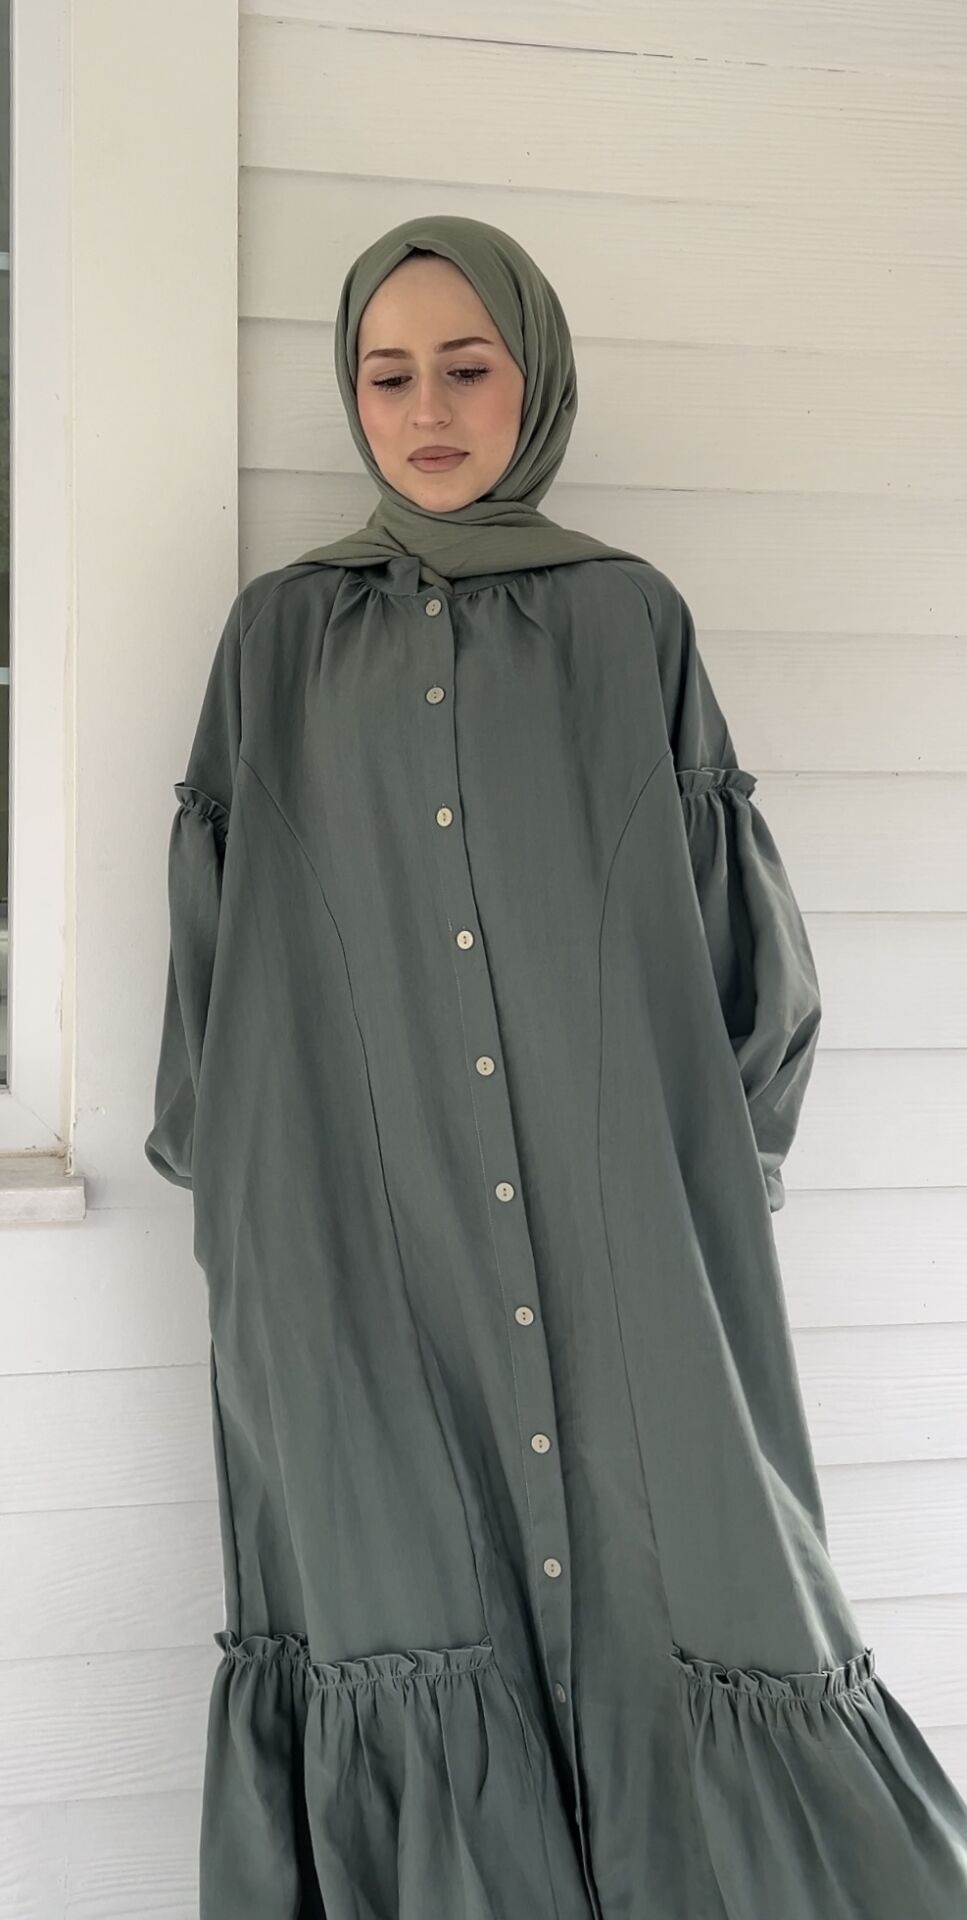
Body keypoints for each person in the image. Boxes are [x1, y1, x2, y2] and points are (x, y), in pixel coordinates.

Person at [145, 213, 967, 1919]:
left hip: (627, 1239)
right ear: (350, 394)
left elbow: (741, 951)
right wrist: (247, 1203)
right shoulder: (279, 643)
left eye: (468, 367)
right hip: (350, 1244)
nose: (427, 409)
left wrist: (702, 1180)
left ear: (537, 380)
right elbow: (214, 959)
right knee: (398, 1586)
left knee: (702, 1570)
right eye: (388, 375)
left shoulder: (626, 624)